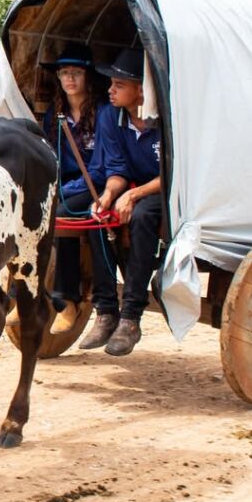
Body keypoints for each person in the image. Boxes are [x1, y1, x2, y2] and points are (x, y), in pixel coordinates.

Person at [77, 46, 162, 356]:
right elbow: (117, 169)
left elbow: (174, 173)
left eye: (119, 85)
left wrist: (133, 195)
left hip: (167, 191)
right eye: (111, 84)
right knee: (97, 217)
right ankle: (105, 310)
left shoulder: (166, 118)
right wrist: (109, 195)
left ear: (141, 91)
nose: (110, 90)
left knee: (142, 217)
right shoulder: (110, 116)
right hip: (132, 187)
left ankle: (131, 317)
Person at [39, 42, 113, 334]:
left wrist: (65, 191)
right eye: (64, 73)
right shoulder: (55, 114)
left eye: (77, 73)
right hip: (67, 183)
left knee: (62, 214)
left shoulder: (104, 113)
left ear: (88, 77)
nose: (70, 78)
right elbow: (51, 157)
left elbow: (101, 168)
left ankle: (66, 298)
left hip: (99, 183)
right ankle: (23, 294)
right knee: (35, 214)